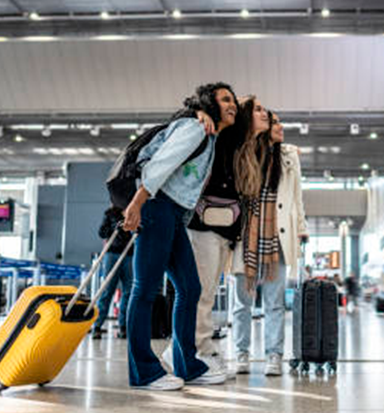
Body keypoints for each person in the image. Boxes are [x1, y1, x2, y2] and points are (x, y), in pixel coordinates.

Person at [121, 82, 238, 390]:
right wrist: (137, 204)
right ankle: (143, 371)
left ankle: (188, 364)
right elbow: (160, 166)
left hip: (172, 213)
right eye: (225, 99)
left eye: (234, 101)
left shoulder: (209, 135)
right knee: (145, 288)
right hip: (156, 205)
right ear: (209, 104)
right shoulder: (194, 128)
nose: (233, 105)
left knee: (189, 287)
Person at [162, 93, 256, 373]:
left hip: (223, 226)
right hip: (203, 224)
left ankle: (191, 349)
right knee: (200, 292)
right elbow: (182, 118)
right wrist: (196, 112)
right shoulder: (214, 131)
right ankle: (196, 350)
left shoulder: (240, 144)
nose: (265, 115)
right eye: (258, 109)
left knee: (207, 291)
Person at [232, 109, 308, 376]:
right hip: (247, 235)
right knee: (242, 303)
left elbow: (297, 197)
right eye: (274, 122)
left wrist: (302, 228)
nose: (280, 126)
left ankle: (274, 355)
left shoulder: (288, 156)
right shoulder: (244, 151)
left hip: (278, 235)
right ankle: (241, 353)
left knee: (275, 303)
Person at [91, 206, 133, 340]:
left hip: (129, 255)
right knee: (107, 290)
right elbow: (102, 232)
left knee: (128, 291)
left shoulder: (134, 210)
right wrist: (115, 227)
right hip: (112, 254)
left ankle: (123, 327)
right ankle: (97, 326)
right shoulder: (110, 213)